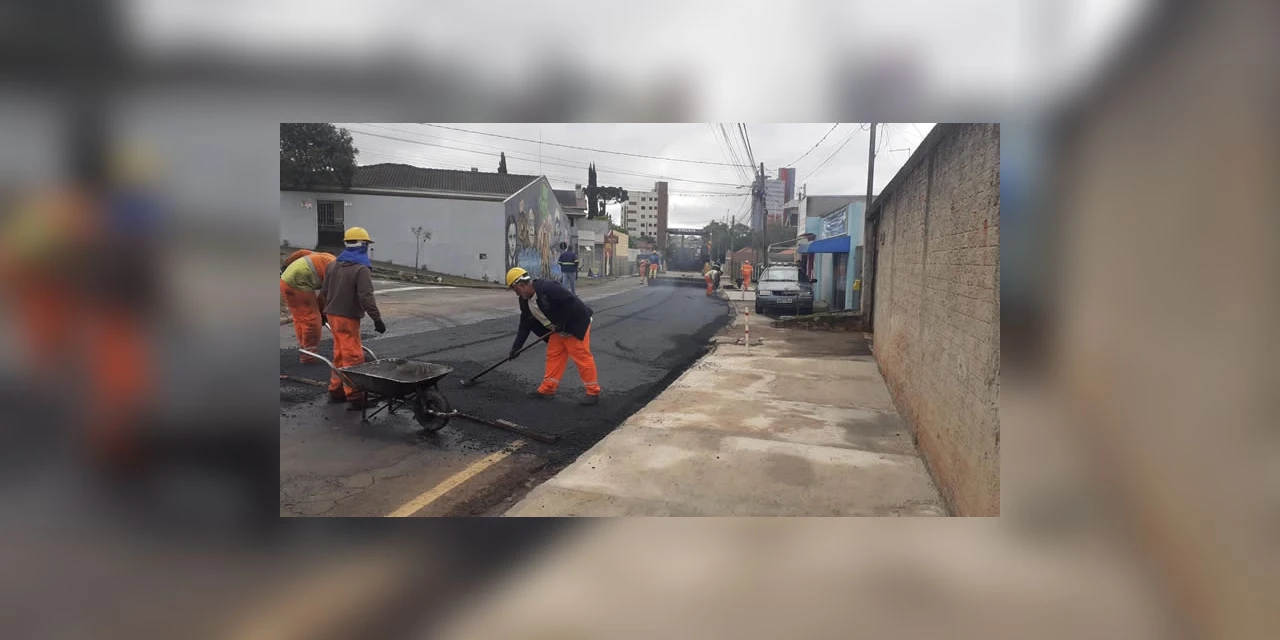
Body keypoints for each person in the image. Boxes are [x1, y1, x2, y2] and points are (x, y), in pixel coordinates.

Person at [505, 267, 600, 405]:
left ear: (521, 285)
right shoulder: (524, 300)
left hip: (575, 324)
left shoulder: (547, 288)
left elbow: (571, 302)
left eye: (516, 290)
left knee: (581, 356)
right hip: (558, 328)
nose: (516, 294)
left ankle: (593, 392)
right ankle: (547, 389)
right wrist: (516, 348)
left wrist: (562, 322)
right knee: (553, 355)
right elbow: (525, 324)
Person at [320, 227, 386, 409]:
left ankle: (335, 390)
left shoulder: (333, 265)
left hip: (332, 314)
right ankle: (355, 396)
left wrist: (322, 312)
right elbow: (366, 297)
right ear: (362, 245)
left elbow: (324, 291)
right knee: (353, 356)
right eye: (367, 244)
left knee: (340, 353)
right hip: (347, 317)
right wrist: (377, 319)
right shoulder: (361, 269)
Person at [281, 250, 337, 363]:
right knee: (312, 319)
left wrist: (285, 266)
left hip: (286, 280)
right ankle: (309, 356)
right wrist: (322, 314)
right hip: (296, 282)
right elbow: (324, 296)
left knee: (301, 318)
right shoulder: (338, 275)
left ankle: (305, 350)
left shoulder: (330, 259)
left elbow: (302, 252)